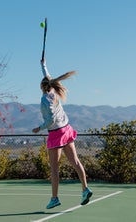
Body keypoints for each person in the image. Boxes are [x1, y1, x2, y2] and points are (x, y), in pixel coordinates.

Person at [32, 59, 93, 209]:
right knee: (76, 162)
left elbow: (51, 119)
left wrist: (39, 128)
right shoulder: (53, 91)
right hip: (66, 129)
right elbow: (48, 77)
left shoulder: (44, 99)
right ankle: (85, 189)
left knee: (54, 168)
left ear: (41, 86)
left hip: (56, 133)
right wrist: (43, 65)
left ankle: (54, 198)